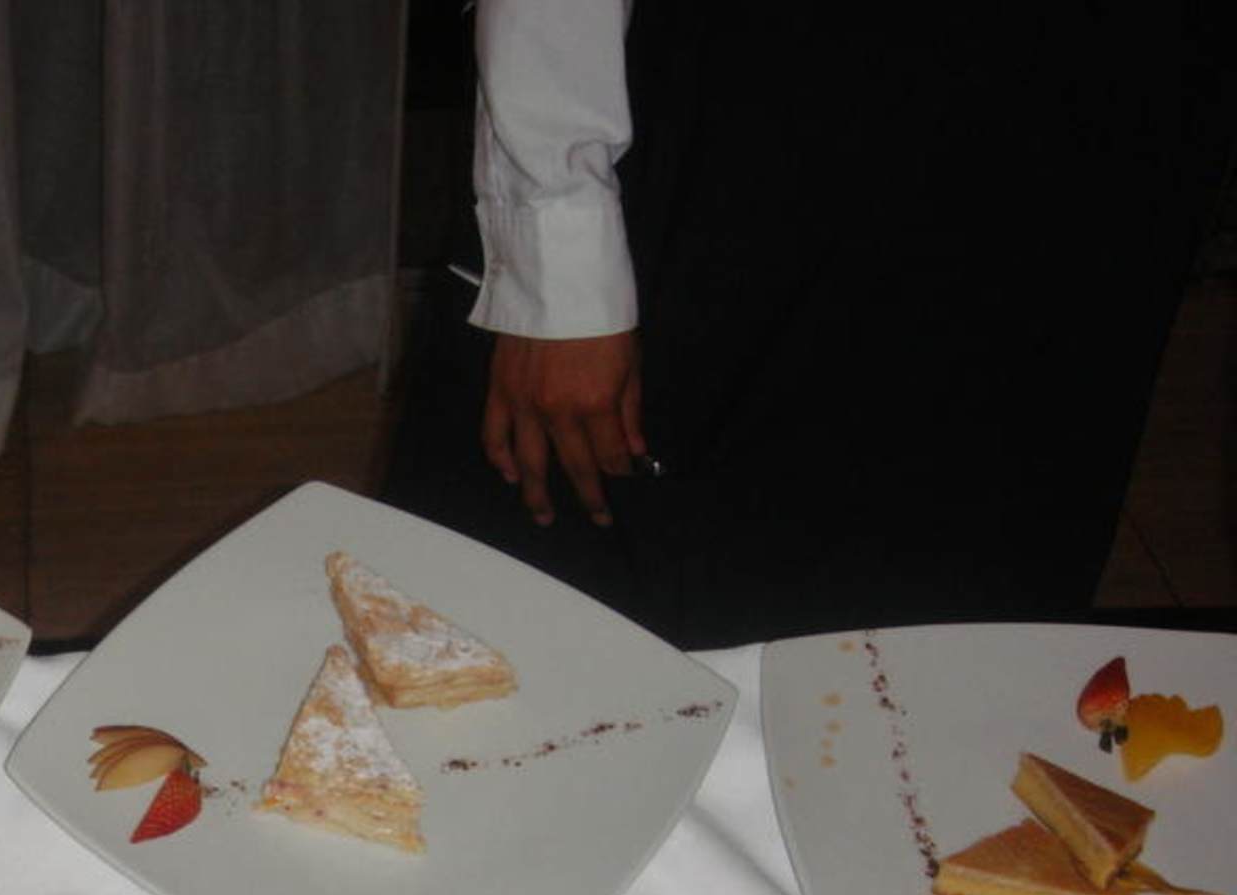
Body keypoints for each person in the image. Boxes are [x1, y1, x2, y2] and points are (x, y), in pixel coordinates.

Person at [383, 0, 1233, 649]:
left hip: (1106, 133)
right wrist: (554, 258)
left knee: (971, 589)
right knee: (588, 609)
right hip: (771, 119)